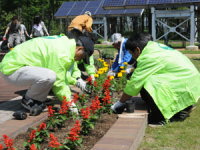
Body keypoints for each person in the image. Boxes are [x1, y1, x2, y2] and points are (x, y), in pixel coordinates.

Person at [111, 33, 200, 125]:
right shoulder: (153, 47)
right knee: (143, 79)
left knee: (149, 83)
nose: (132, 56)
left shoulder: (148, 57)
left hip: (185, 82)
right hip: (189, 81)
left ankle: (160, 117)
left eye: (131, 53)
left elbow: (134, 83)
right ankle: (183, 109)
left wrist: (120, 103)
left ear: (137, 50)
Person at [0, 35, 94, 116]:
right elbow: (59, 82)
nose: (80, 60)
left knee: (50, 76)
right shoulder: (62, 54)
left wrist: (77, 80)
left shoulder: (65, 45)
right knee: (50, 76)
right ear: (80, 48)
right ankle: (28, 100)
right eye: (82, 56)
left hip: (16, 64)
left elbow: (64, 75)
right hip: (12, 68)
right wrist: (69, 102)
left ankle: (37, 99)